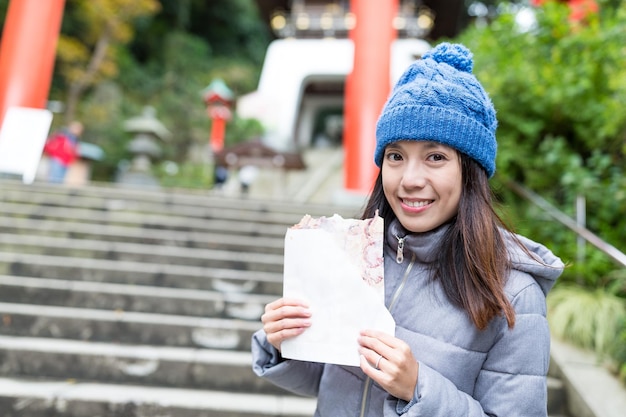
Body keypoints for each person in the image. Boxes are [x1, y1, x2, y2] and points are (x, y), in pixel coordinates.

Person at [251, 43, 564, 416]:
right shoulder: (355, 256)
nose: (410, 180)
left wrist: (418, 387)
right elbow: (327, 379)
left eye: (435, 157)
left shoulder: (514, 293)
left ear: (470, 171)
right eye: (396, 156)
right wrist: (286, 340)